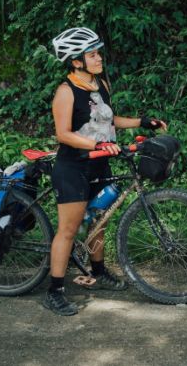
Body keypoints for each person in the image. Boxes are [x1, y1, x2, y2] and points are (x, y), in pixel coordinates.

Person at [44, 27, 167, 316]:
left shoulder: (101, 85)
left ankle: (98, 272)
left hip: (100, 162)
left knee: (99, 220)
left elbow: (110, 122)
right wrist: (96, 143)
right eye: (92, 55)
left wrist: (142, 121)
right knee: (69, 230)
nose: (99, 58)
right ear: (76, 61)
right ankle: (55, 290)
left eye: (98, 53)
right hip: (73, 166)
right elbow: (63, 134)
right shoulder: (66, 91)